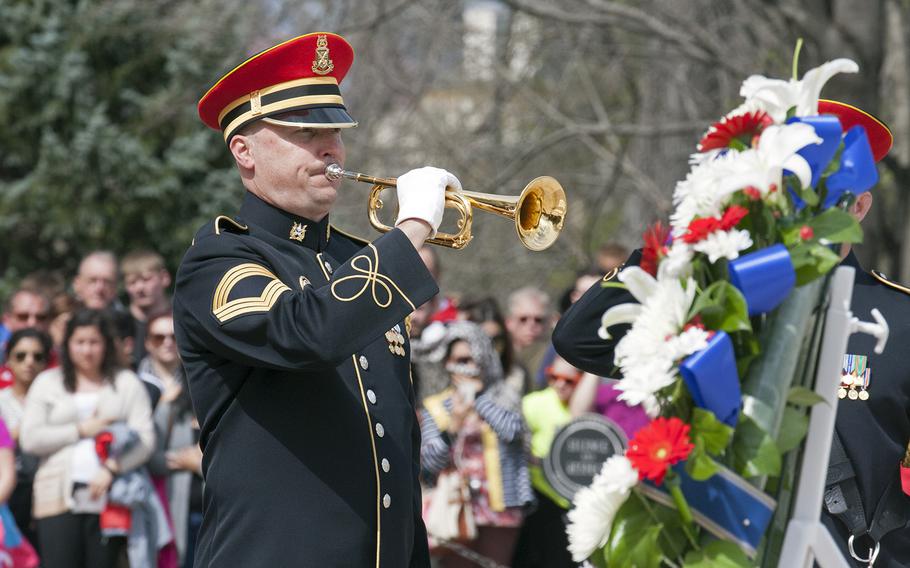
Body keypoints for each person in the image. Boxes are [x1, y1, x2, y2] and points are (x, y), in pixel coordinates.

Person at [552, 101, 910, 566]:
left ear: (859, 206)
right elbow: (580, 339)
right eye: (792, 185)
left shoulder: (899, 319)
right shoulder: (721, 296)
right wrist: (691, 235)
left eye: (826, 192)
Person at [173, 32, 455, 567]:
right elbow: (307, 332)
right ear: (244, 151)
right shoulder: (217, 261)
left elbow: (396, 443)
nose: (330, 148)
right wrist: (413, 226)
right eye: (306, 131)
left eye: (335, 132)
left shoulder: (355, 257)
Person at [20, 309, 154, 568]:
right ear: (67, 344)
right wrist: (80, 430)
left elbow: (146, 440)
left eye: (94, 342)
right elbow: (30, 438)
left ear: (106, 345)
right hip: (55, 497)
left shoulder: (126, 383)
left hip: (111, 498)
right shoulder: (48, 382)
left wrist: (113, 467)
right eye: (79, 342)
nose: (87, 350)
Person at [418, 321, 532, 567]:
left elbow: (513, 432)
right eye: (460, 360)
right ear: (447, 363)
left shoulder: (503, 396)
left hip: (500, 508)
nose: (467, 368)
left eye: (472, 360)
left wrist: (480, 400)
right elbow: (429, 461)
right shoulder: (436, 406)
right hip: (455, 505)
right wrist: (453, 427)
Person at [0, 328, 52, 549]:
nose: (29, 362)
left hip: (50, 491)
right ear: (8, 360)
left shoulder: (57, 401)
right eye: (20, 355)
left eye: (37, 356)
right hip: (11, 495)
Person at [122, 250, 173, 367]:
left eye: (146, 279)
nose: (139, 288)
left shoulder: (182, 319)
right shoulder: (119, 325)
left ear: (164, 278)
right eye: (132, 282)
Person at [0, 288, 51, 367]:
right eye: (23, 317)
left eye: (40, 317)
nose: (32, 323)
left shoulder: (62, 359)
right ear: (7, 319)